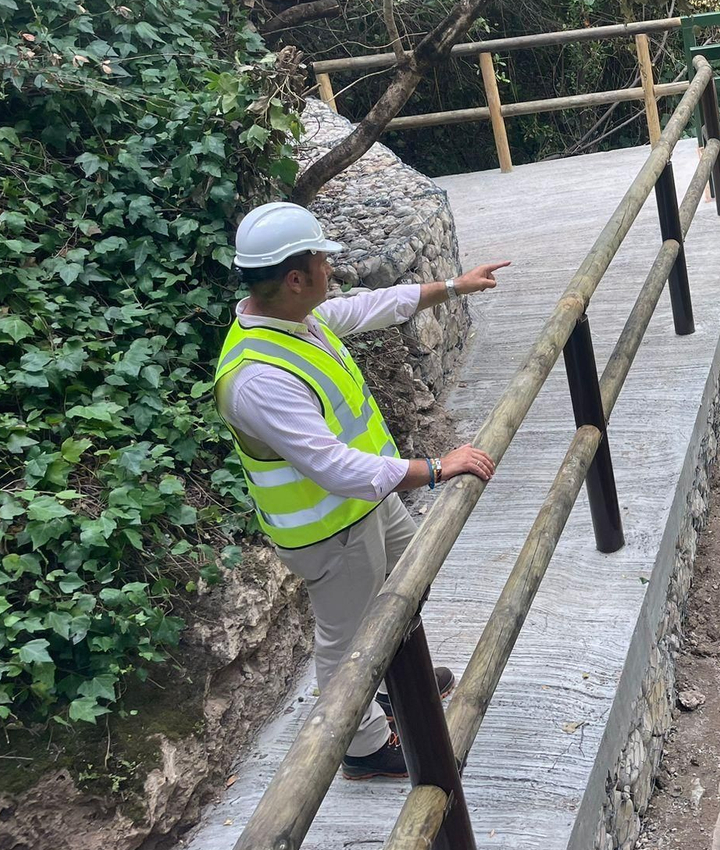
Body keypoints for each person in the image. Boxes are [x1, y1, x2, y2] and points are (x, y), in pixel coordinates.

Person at [213, 201, 507, 780]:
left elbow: (368, 306)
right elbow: (335, 468)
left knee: (408, 577)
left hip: (367, 505)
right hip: (329, 529)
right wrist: (437, 467)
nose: (333, 269)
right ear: (296, 279)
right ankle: (363, 745)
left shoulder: (295, 321)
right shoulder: (257, 379)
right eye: (324, 260)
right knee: (344, 642)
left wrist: (452, 285)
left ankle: (399, 682)